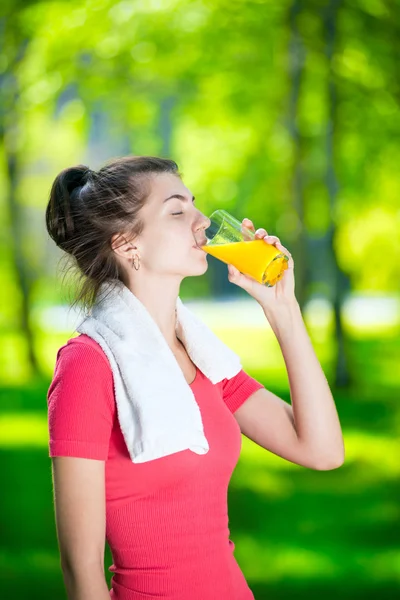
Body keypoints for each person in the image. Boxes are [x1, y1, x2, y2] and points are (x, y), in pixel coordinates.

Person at [45, 155, 267, 600]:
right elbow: (80, 568)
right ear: (128, 245)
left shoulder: (205, 358)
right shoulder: (87, 365)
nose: (202, 221)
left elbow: (321, 450)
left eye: (194, 205)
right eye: (177, 210)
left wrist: (283, 307)